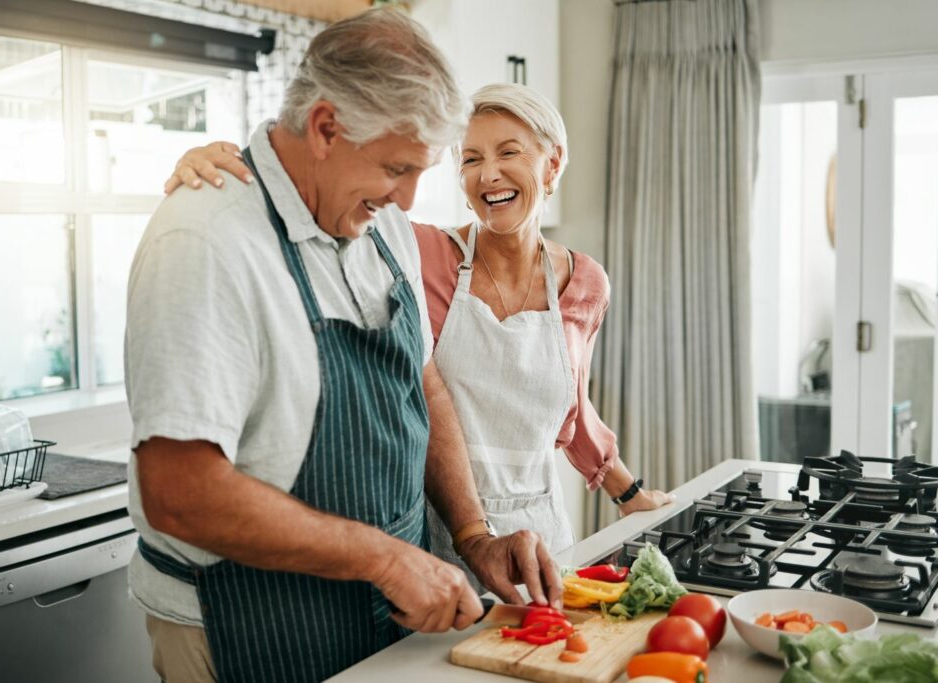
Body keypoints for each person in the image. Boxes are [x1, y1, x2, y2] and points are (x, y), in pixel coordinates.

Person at [126, 11, 562, 683]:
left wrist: (474, 535)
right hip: (245, 623)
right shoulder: (207, 240)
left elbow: (423, 383)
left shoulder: (379, 221)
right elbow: (180, 491)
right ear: (326, 127)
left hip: (376, 611)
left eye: (420, 170)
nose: (408, 198)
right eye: (395, 166)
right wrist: (385, 558)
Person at [166, 82, 674, 590]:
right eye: (470, 158)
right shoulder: (420, 251)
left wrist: (630, 495)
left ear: (553, 162)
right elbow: (317, 200)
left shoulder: (585, 282)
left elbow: (571, 407)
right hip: (434, 537)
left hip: (543, 537)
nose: (488, 173)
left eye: (509, 152)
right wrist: (227, 167)